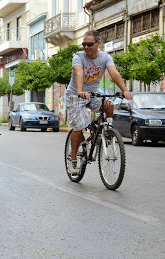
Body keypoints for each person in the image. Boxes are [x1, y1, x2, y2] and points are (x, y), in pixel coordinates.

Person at [66, 30, 132, 174]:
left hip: (93, 94)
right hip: (75, 95)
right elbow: (79, 73)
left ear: (98, 43)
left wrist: (125, 90)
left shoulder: (105, 57)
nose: (86, 47)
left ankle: (104, 131)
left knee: (109, 106)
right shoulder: (78, 57)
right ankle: (73, 161)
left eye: (89, 44)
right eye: (84, 44)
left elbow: (114, 73)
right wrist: (79, 90)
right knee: (79, 126)